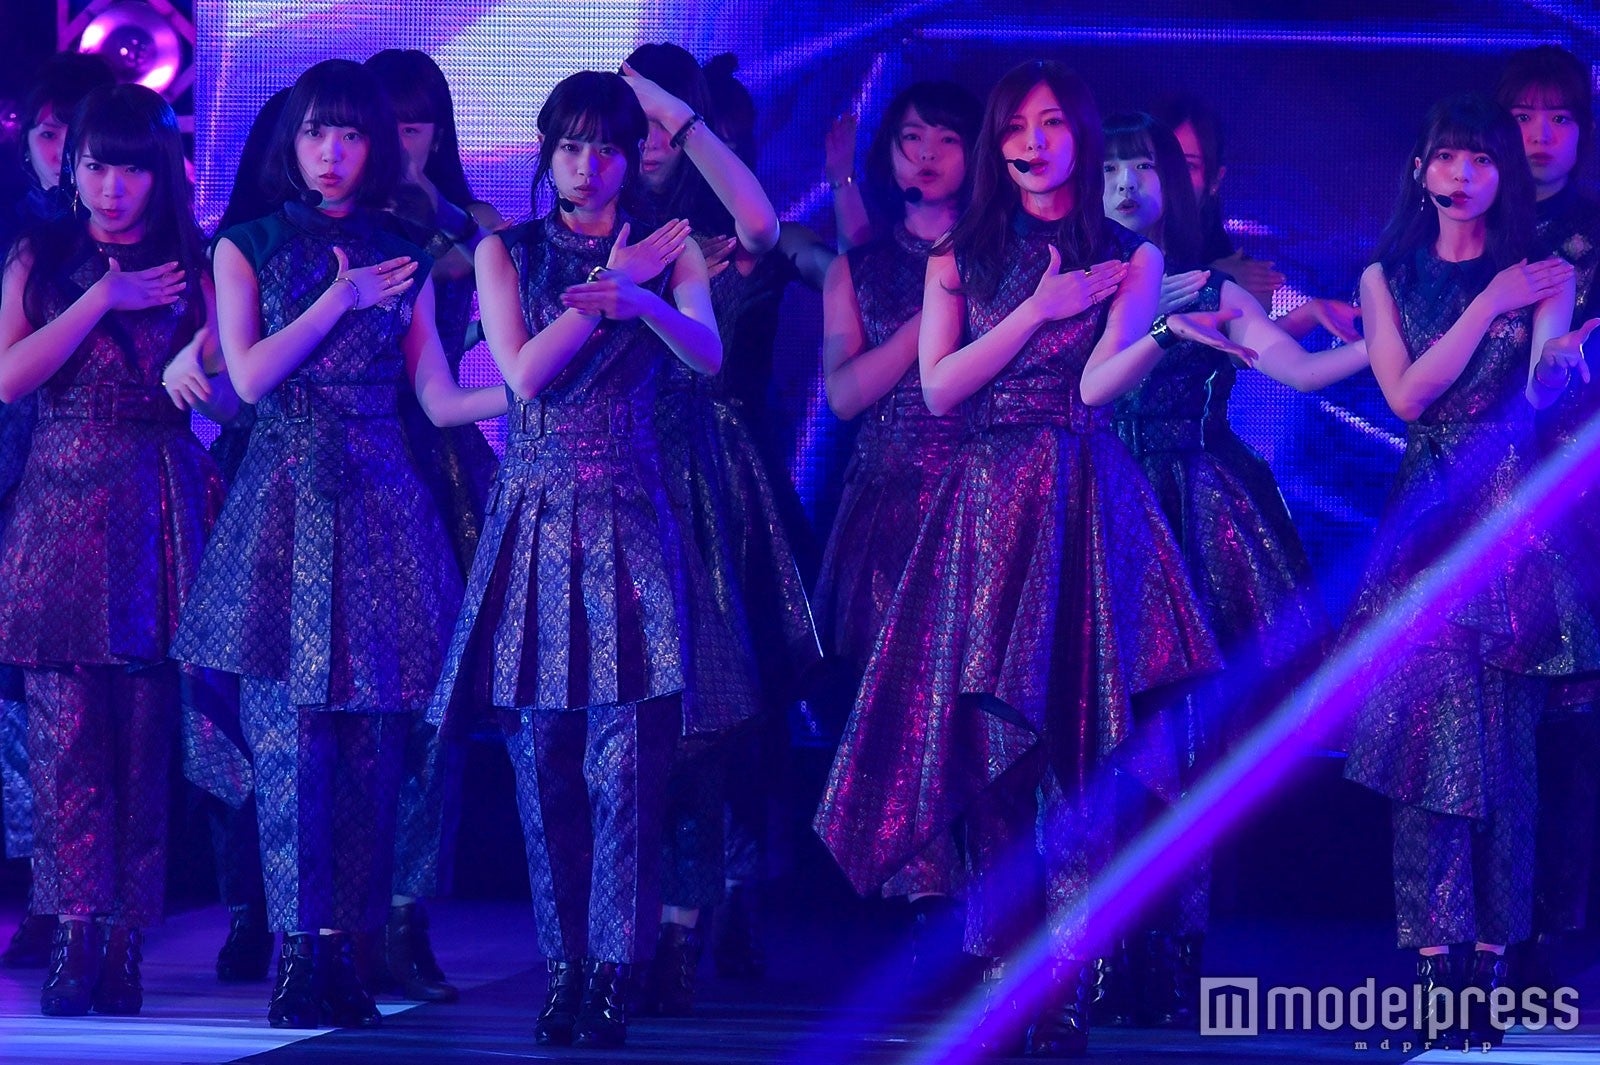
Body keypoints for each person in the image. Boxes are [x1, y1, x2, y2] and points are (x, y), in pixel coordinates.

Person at [816, 59, 1236, 1057]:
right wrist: (1037, 311)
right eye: (1015, 126)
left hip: (1082, 503)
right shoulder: (959, 253)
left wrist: (1165, 331)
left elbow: (1096, 389)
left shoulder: (1128, 257)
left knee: (1079, 760)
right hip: (982, 510)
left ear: (1079, 136)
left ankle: (1068, 984)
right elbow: (939, 388)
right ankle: (1005, 974)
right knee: (990, 752)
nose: (1033, 142)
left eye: (1051, 124)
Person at [171, 58, 505, 1030]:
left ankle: (348, 949)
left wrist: (534, 389)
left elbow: (435, 396)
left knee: (371, 748)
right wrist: (337, 299)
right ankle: (296, 953)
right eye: (317, 132)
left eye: (351, 134)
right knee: (289, 745)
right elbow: (250, 378)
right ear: (294, 140)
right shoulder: (246, 244)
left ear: (375, 148)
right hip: (281, 500)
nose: (331, 152)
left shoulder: (405, 252)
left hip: (383, 509)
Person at [429, 69, 723, 1049]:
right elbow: (521, 373)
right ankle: (562, 967)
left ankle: (612, 972)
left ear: (633, 157)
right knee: (545, 757)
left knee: (627, 762)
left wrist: (644, 297)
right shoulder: (505, 250)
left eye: (606, 147)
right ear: (547, 153)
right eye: (569, 146)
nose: (587, 165)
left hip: (632, 512)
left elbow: (707, 356)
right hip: (534, 514)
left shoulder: (667, 248)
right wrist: (606, 299)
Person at [1097, 110, 1369, 1028]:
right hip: (1096, 506)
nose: (1125, 184)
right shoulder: (1071, 283)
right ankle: (1100, 952)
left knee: (1184, 746)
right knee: (1102, 746)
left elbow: (1293, 364)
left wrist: (1385, 341)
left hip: (1194, 512)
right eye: (1110, 168)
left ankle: (1176, 953)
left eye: (1143, 167)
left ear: (1179, 181)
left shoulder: (1219, 283)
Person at [1341, 91, 1598, 1049]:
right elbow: (1408, 395)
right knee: (1428, 755)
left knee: (1510, 759)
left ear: (1503, 175)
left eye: (1482, 158)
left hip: (1515, 528)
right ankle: (1432, 967)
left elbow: (1533, 393)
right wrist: (1490, 301)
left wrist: (1561, 363)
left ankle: (1490, 968)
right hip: (1427, 526)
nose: (1463, 174)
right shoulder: (1384, 277)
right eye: (1448, 157)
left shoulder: (1543, 272)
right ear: (1421, 170)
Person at [0, 83, 237, 1016]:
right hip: (58, 500)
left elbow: (233, 391)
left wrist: (201, 367)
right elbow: (10, 377)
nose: (111, 187)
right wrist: (103, 296)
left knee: (142, 741)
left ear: (161, 172)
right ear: (73, 168)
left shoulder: (198, 260)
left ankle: (126, 938)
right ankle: (72, 932)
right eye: (97, 166)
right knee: (64, 742)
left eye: (131, 169)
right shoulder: (42, 255)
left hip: (154, 500)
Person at [620, 43, 821, 1012]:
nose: (649, 140)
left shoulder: (729, 241)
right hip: (620, 475)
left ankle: (720, 903)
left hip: (724, 482)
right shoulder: (601, 234)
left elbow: (764, 225)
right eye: (636, 122)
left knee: (730, 711)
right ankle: (630, 926)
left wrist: (678, 112)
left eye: (664, 122)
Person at [810, 79, 981, 999]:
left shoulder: (1004, 258)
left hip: (984, 505)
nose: (926, 153)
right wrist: (932, 314)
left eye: (946, 137)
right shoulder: (859, 270)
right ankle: (926, 908)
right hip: (888, 511)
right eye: (912, 136)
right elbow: (844, 395)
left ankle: (986, 912)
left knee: (972, 715)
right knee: (904, 717)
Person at [363, 46, 507, 1005]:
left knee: (435, 712)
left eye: (415, 124)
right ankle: (314, 917)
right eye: (385, 122)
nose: (398, 140)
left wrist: (430, 210)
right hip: (345, 461)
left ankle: (407, 916)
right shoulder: (331, 231)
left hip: (442, 464)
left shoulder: (476, 227)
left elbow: (478, 270)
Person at [0, 49, 116, 972]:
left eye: (79, 140)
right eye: (50, 136)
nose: (63, 155)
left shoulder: (134, 240)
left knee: (98, 701)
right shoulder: (21, 241)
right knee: (24, 705)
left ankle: (83, 900)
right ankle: (45, 888)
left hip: (93, 487)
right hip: (15, 480)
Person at [1493, 45, 1600, 993]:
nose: (1540, 134)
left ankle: (1552, 939)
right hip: (1483, 501)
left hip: (1578, 499)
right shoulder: (1477, 228)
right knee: (1494, 728)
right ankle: (1485, 930)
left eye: (1559, 117)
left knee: (1571, 727)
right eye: (1524, 115)